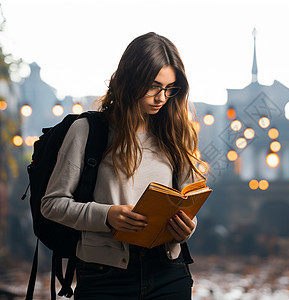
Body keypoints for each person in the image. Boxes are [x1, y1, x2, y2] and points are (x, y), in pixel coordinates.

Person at [41, 32, 206, 299]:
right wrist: (107, 216)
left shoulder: (177, 134)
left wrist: (188, 227)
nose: (161, 97)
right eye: (153, 86)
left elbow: (187, 202)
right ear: (129, 80)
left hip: (169, 272)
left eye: (169, 89)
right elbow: (51, 204)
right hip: (105, 277)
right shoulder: (88, 131)